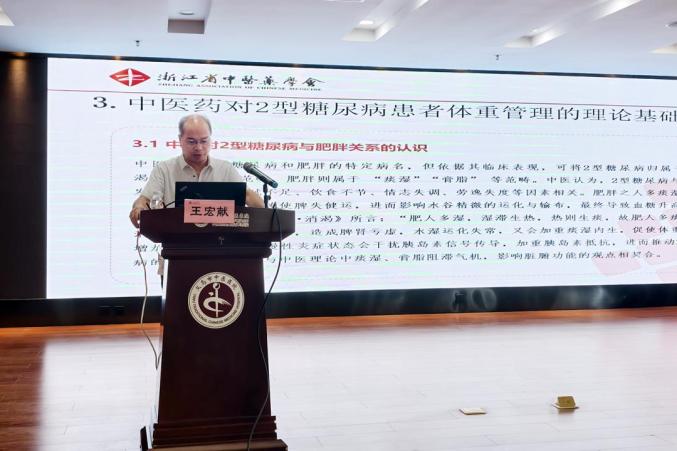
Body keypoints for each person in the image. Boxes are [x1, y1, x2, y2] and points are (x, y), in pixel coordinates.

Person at [129, 114, 264, 227]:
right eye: (192, 142)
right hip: (177, 242)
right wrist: (138, 208)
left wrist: (255, 201)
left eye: (204, 141)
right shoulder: (164, 169)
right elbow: (145, 199)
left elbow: (253, 201)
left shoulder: (225, 169)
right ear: (180, 140)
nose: (199, 147)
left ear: (210, 139)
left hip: (221, 242)